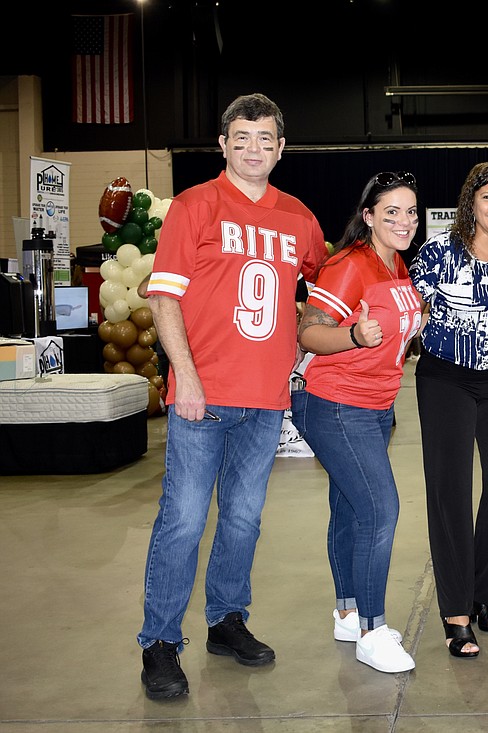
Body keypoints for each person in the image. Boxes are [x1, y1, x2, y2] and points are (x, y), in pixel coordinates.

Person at [137, 93, 328, 700]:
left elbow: (324, 283)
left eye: (265, 139)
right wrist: (184, 376)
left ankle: (226, 620)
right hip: (203, 395)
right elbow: (164, 297)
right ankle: (161, 642)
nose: (253, 149)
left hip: (266, 399)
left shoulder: (298, 217)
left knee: (243, 520)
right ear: (223, 145)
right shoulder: (194, 206)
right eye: (241, 138)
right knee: (185, 521)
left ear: (280, 148)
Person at [291, 171, 422, 674]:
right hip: (336, 404)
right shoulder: (349, 265)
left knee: (349, 508)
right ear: (368, 216)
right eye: (391, 212)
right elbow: (309, 334)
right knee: (380, 510)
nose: (404, 221)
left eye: (411, 212)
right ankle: (372, 628)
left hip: (376, 406)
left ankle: (347, 610)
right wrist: (355, 336)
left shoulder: (395, 262)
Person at [409, 161, 488, 659]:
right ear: (471, 203)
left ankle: (486, 591)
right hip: (446, 380)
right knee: (450, 491)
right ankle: (456, 610)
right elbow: (407, 310)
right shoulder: (439, 252)